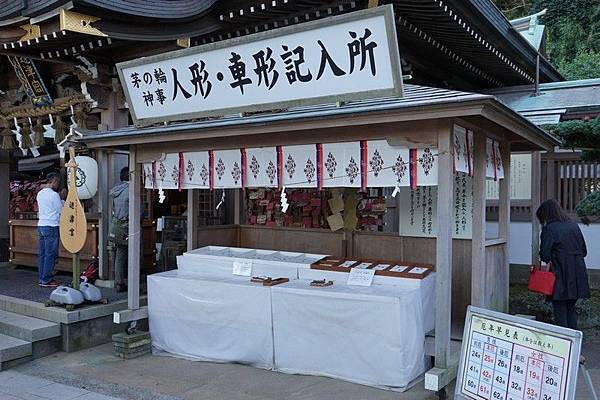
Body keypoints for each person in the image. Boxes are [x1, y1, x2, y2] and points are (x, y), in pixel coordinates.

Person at [537, 199, 590, 329]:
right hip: (578, 273)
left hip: (560, 273)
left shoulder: (549, 228)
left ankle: (564, 345)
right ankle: (574, 344)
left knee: (560, 310)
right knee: (570, 308)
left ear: (546, 214)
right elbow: (584, 251)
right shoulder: (573, 225)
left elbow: (545, 255)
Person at [36, 172, 66, 288]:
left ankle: (42, 277)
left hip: (41, 224)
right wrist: (62, 199)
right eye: (57, 182)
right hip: (52, 225)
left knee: (43, 254)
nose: (58, 185)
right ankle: (47, 279)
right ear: (54, 181)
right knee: (51, 254)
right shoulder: (54, 195)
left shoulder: (40, 194)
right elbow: (61, 211)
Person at [109, 167, 129, 292]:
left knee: (118, 253)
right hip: (128, 225)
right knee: (130, 254)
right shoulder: (130, 190)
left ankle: (118, 281)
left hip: (116, 224)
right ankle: (127, 281)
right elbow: (139, 210)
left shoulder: (116, 190)